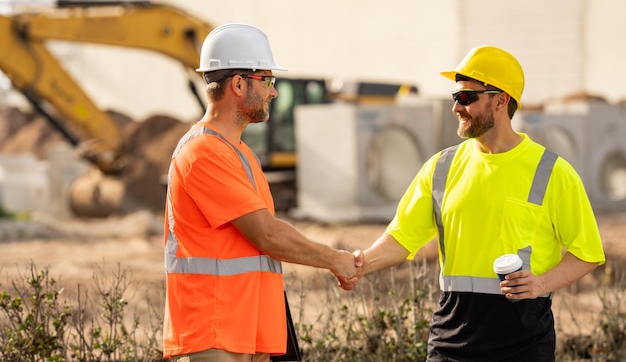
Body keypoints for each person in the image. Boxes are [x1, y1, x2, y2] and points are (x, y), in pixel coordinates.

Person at [339, 46, 605, 362]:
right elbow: (401, 238)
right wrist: (361, 263)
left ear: (500, 100)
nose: (456, 107)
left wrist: (541, 283)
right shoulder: (441, 167)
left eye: (466, 98)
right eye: (455, 97)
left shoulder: (552, 172)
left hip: (523, 342)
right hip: (451, 340)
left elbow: (588, 253)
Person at [163, 23, 359, 362]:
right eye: (267, 81)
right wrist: (335, 260)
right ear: (238, 84)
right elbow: (267, 234)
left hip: (244, 333)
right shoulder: (203, 152)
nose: (273, 92)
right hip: (216, 336)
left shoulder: (238, 152)